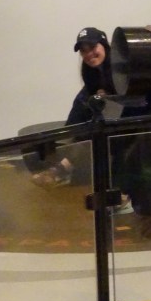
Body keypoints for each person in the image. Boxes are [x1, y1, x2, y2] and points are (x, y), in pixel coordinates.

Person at [32, 27, 117, 188]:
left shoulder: (118, 67)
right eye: (84, 51)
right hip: (102, 118)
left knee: (89, 120)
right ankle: (63, 159)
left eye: (92, 47)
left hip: (124, 119)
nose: (88, 54)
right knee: (81, 104)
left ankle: (63, 167)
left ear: (104, 45)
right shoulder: (91, 74)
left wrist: (108, 95)